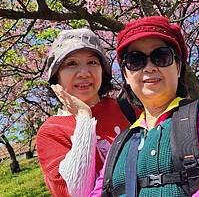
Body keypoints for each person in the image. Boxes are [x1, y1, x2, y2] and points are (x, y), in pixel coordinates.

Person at [90, 16, 199, 196]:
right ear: (125, 74)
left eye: (161, 56)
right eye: (135, 60)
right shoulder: (120, 142)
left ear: (178, 67)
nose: (149, 68)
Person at [36, 28, 136, 197]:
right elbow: (76, 192)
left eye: (92, 63)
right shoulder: (51, 132)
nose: (84, 73)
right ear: (56, 76)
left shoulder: (129, 108)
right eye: (71, 64)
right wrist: (84, 117)